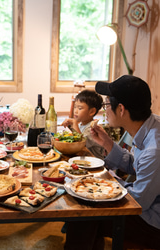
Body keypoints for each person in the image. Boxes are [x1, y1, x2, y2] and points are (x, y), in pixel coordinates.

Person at [64, 75, 160, 250]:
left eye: (106, 105)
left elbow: (138, 201)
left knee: (86, 213)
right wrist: (107, 143)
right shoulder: (149, 124)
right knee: (86, 207)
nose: (104, 110)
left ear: (121, 109)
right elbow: (135, 165)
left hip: (153, 221)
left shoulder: (155, 149)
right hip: (147, 205)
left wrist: (104, 183)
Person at [61, 89, 105, 159]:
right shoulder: (81, 124)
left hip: (95, 163)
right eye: (75, 107)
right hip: (83, 158)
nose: (75, 111)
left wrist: (74, 123)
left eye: (80, 108)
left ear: (92, 112)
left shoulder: (93, 128)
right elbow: (75, 137)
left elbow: (81, 143)